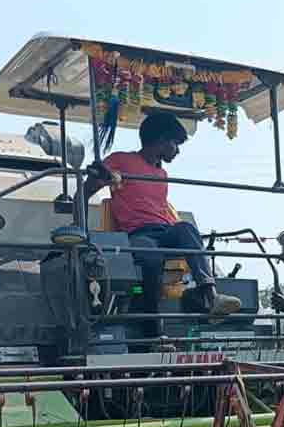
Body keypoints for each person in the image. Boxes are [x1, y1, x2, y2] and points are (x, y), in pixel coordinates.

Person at [82, 112, 241, 319]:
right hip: (137, 234)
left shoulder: (162, 174)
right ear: (160, 140)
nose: (177, 151)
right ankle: (151, 323)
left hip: (165, 231)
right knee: (150, 254)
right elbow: (90, 185)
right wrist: (99, 174)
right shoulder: (122, 160)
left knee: (186, 229)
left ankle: (210, 296)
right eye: (175, 144)